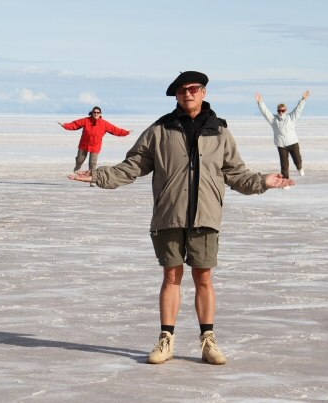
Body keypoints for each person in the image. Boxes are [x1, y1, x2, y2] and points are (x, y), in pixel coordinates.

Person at [69, 71, 295, 365]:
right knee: (171, 277)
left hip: (206, 215)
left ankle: (208, 341)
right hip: (169, 215)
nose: (187, 93)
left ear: (203, 93)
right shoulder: (160, 129)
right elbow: (133, 166)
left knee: (204, 277)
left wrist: (263, 182)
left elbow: (236, 174)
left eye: (193, 88)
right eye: (181, 90)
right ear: (176, 95)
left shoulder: (220, 131)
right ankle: (166, 340)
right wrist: (98, 175)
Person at [58, 106, 132, 186]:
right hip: (84, 144)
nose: (96, 114)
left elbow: (115, 130)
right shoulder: (86, 120)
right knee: (80, 159)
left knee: (92, 163)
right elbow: (75, 125)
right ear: (92, 113)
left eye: (98, 113)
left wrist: (126, 132)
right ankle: (77, 166)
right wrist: (65, 125)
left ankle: (92, 180)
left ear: (100, 114)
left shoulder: (104, 123)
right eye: (94, 112)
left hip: (95, 146)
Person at [255, 91, 311, 188]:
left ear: (286, 110)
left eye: (283, 111)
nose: (281, 113)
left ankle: (299, 167)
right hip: (281, 145)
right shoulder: (274, 120)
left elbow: (298, 109)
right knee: (284, 165)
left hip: (293, 142)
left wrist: (303, 99)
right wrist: (260, 102)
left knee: (297, 159)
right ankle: (285, 182)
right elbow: (265, 112)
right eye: (279, 111)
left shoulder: (290, 118)